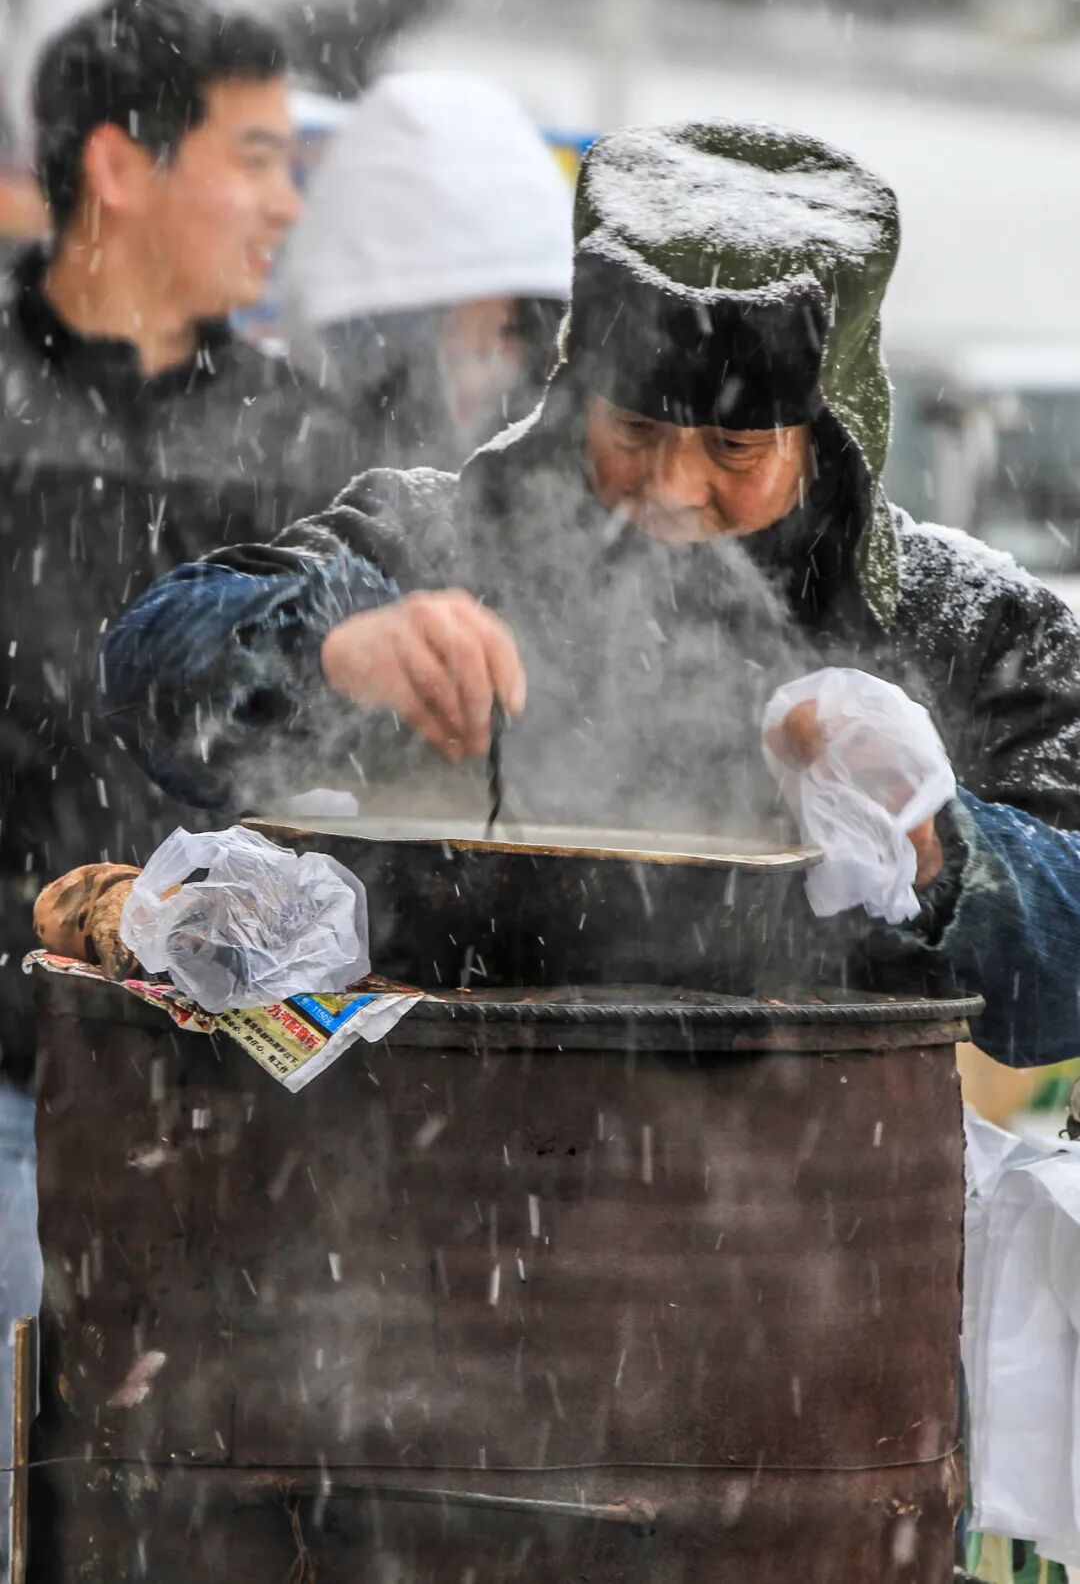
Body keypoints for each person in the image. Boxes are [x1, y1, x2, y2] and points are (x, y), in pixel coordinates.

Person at [101, 118, 1080, 1071]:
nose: (670, 487)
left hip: (833, 1188)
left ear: (832, 442)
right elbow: (152, 667)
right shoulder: (442, 542)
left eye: (735, 448)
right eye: (635, 430)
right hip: (440, 1157)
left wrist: (943, 843)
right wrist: (330, 643)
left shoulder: (962, 624)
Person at [0, 0, 367, 1076]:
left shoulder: (307, 441)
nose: (286, 204)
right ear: (118, 168)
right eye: (254, 159)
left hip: (240, 1084)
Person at [281, 69, 573, 472]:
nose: (475, 377)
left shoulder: (560, 478)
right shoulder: (292, 464)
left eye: (507, 332)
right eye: (448, 333)